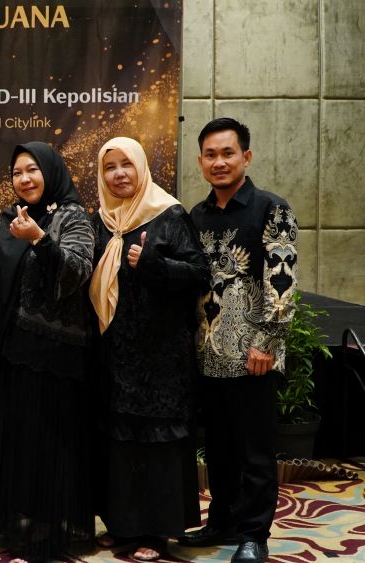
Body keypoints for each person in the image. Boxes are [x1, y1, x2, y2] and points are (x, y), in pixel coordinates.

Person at [181, 118, 297, 563]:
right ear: (200, 161)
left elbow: (282, 282)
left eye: (227, 153)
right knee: (220, 450)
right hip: (209, 353)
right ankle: (222, 521)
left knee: (255, 451)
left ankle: (254, 535)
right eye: (210, 155)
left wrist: (267, 341)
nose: (219, 162)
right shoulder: (196, 215)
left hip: (253, 354)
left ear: (245, 157)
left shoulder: (272, 208)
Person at [88, 137, 209, 561]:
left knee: (157, 442)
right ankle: (123, 526)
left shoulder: (168, 214)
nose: (119, 174)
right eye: (110, 167)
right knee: (121, 439)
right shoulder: (102, 221)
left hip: (161, 356)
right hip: (115, 353)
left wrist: (154, 265)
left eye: (126, 164)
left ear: (141, 167)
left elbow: (200, 274)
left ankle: (156, 532)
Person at [0, 142, 95, 562]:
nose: (24, 179)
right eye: (17, 172)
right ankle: (21, 520)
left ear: (51, 171)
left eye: (32, 170)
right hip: (12, 349)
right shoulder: (10, 218)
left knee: (49, 440)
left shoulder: (73, 216)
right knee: (19, 438)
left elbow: (79, 270)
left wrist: (40, 240)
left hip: (54, 353)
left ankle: (50, 527)